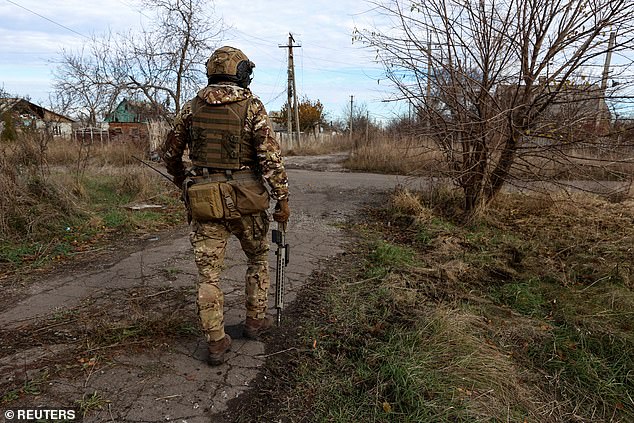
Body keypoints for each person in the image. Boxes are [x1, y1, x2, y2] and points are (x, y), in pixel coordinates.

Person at [159, 46, 290, 365]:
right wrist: (282, 198)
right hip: (247, 201)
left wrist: (183, 182)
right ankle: (255, 322)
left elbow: (170, 154)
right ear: (241, 73)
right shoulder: (253, 106)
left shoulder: (192, 108)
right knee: (258, 257)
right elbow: (269, 159)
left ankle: (216, 341)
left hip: (205, 202)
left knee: (208, 275)